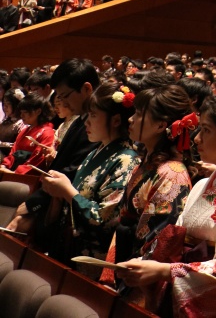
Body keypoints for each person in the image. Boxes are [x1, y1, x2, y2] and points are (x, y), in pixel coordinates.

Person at [118, 94, 216, 316]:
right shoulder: (202, 185)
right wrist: (149, 263)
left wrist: (164, 271)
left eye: (206, 130)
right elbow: (174, 240)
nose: (197, 139)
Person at [105, 83, 195, 310]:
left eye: (138, 114)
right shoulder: (148, 163)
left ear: (161, 125)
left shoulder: (173, 173)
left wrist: (132, 274)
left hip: (144, 273)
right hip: (125, 255)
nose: (131, 119)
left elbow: (161, 239)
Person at [39, 80, 141, 268]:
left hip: (91, 257)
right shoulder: (95, 151)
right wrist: (58, 194)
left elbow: (104, 218)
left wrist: (67, 191)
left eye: (93, 115)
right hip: (68, 244)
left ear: (116, 120)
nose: (86, 121)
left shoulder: (127, 160)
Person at [7, 59, 100, 238]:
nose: (62, 102)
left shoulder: (96, 125)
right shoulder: (79, 120)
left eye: (65, 96)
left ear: (86, 89)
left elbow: (73, 170)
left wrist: (35, 204)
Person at [0, 93, 54, 174]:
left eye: (25, 112)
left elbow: (37, 160)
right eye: (21, 112)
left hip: (29, 177)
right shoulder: (24, 131)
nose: (21, 115)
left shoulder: (47, 132)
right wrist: (5, 165)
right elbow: (13, 152)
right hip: (12, 171)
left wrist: (15, 173)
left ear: (38, 111)